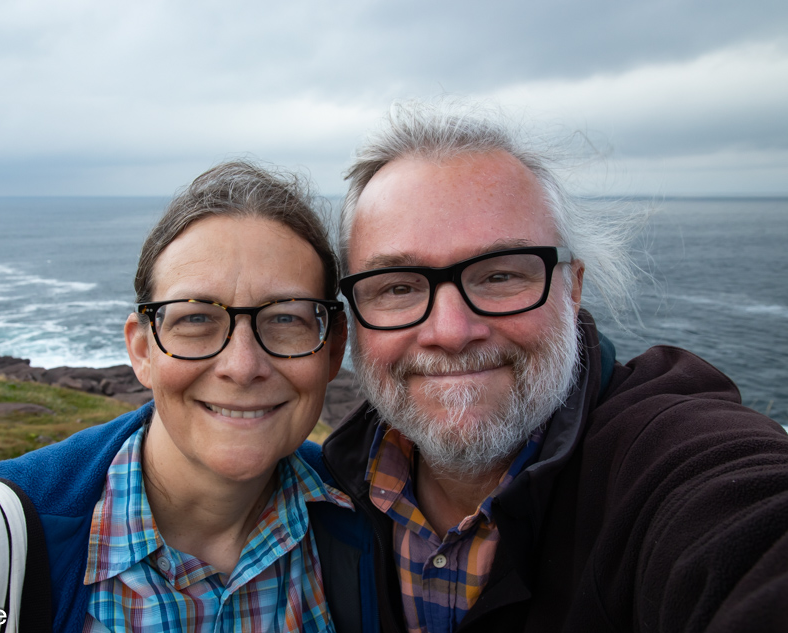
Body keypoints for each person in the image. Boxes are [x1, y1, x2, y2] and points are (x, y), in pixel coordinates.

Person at [321, 100, 788, 632]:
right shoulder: (324, 491)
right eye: (399, 287)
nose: (450, 332)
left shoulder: (663, 462)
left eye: (499, 276)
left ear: (572, 290)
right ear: (353, 318)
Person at [0, 161, 379, 633]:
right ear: (142, 350)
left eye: (285, 318)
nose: (242, 366)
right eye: (196, 319)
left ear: (333, 350)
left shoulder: (369, 517)